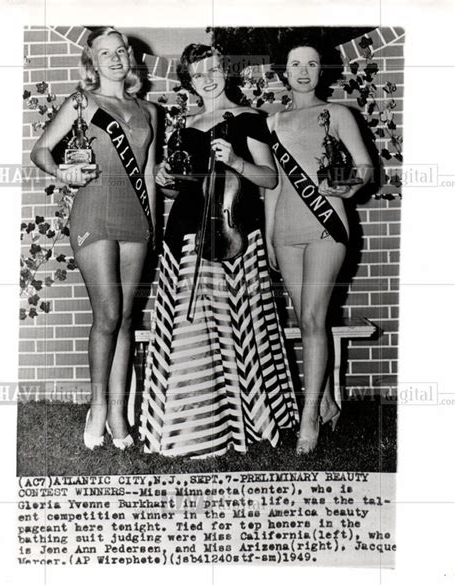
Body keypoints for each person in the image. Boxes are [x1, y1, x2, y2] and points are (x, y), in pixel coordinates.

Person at [139, 43, 298, 458]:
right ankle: (192, 424)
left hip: (234, 235)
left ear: (223, 71)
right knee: (193, 329)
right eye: (198, 73)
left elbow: (269, 179)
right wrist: (164, 179)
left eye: (213, 68)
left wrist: (237, 161)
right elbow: (182, 188)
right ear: (188, 81)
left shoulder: (250, 120)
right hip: (187, 237)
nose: (207, 77)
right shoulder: (185, 125)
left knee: (236, 328)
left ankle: (242, 416)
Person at [31, 27, 157, 450]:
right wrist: (61, 172)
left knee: (125, 317)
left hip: (135, 218)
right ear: (93, 62)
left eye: (122, 51)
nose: (116, 58)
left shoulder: (149, 111)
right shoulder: (81, 102)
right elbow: (41, 151)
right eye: (106, 53)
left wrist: (152, 226)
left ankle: (119, 411)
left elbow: (150, 177)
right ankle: (98, 405)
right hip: (94, 211)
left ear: (130, 58)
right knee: (106, 315)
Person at [265, 37, 372, 455]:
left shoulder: (339, 113)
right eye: (296, 64)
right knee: (306, 319)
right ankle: (326, 403)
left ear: (321, 71)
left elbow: (365, 166)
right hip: (287, 231)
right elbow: (273, 186)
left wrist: (350, 184)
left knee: (312, 317)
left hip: (328, 224)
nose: (304, 71)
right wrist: (273, 235)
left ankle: (307, 417)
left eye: (312, 63)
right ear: (284, 71)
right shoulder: (273, 122)